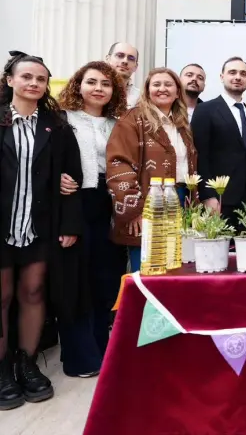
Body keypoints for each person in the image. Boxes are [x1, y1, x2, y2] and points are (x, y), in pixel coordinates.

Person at [0, 53, 83, 410]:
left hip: (38, 227)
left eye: (41, 79)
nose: (34, 83)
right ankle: (2, 370)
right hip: (2, 226)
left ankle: (27, 363)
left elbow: (72, 178)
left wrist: (70, 223)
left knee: (33, 292)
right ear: (10, 80)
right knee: (2, 296)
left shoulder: (57, 127)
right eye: (27, 77)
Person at [55, 61, 127, 377]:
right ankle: (79, 358)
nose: (98, 88)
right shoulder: (61, 119)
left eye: (105, 84)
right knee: (76, 281)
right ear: (78, 85)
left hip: (109, 205)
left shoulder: (119, 124)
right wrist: (56, 178)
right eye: (92, 82)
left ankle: (101, 349)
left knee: (106, 279)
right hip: (74, 204)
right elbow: (45, 161)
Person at [106, 68, 197, 272]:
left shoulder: (182, 124)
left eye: (168, 84)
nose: (162, 89)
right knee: (148, 270)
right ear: (147, 90)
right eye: (156, 84)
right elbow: (119, 164)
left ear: (177, 92)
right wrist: (135, 210)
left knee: (177, 269)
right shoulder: (132, 119)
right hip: (148, 203)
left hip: (181, 200)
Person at [190, 57, 246, 232]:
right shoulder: (205, 110)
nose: (238, 77)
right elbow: (200, 155)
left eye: (243, 74)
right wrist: (207, 195)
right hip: (219, 199)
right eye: (232, 72)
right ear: (222, 77)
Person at [104, 42, 141, 108]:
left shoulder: (140, 98)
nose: (125, 61)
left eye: (131, 58)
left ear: (136, 66)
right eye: (120, 55)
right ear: (108, 59)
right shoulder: (95, 90)